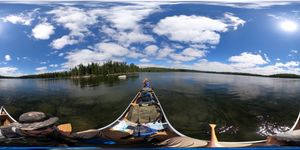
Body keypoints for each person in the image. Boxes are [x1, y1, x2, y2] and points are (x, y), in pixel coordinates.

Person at [0, 111, 75, 146]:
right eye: (39, 128)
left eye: (51, 125)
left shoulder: (52, 129)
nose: (49, 130)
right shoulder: (4, 134)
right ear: (24, 129)